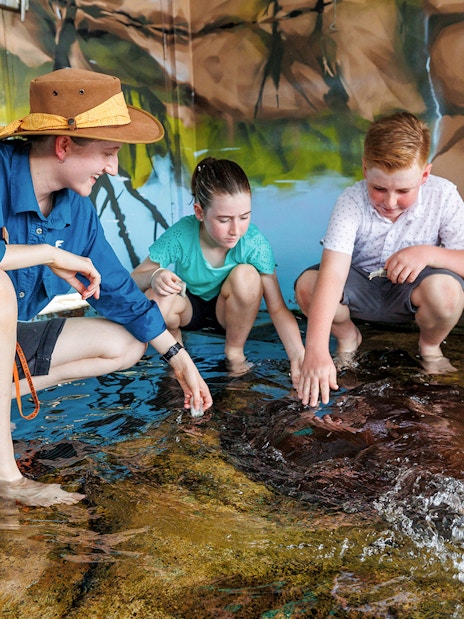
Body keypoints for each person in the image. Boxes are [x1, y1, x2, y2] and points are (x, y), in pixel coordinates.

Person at [0, 68, 212, 507]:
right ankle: (8, 478)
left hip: (7, 347)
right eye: (108, 153)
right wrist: (48, 255)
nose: (113, 168)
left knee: (127, 344)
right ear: (64, 146)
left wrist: (180, 360)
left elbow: (123, 297)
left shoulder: (78, 211)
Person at [295, 111, 464, 408]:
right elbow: (333, 275)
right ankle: (349, 337)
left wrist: (428, 253)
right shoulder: (351, 201)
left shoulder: (444, 196)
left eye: (403, 190)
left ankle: (430, 346)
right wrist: (316, 348)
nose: (390, 201)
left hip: (413, 292)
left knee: (448, 293)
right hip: (361, 288)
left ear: (424, 175)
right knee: (309, 285)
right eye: (379, 188)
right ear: (364, 170)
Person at [131, 157, 305, 383]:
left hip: (229, 313)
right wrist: (154, 276)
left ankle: (234, 353)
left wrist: (299, 355)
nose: (236, 230)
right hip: (188, 308)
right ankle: (176, 355)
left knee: (248, 275)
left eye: (244, 217)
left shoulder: (253, 243)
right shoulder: (182, 233)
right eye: (224, 219)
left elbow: (278, 308)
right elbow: (134, 279)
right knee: (156, 295)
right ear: (200, 212)